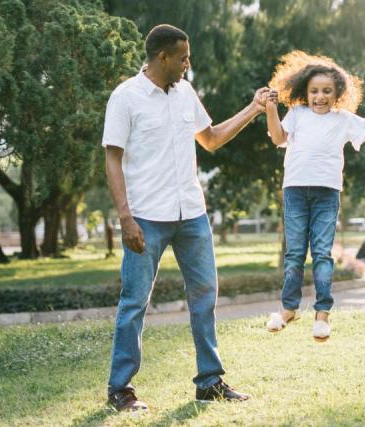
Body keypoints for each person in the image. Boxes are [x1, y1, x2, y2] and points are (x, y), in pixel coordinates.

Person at [102, 24, 269, 411]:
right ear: (162, 57)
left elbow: (210, 138)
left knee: (205, 296)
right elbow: (112, 157)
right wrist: (125, 217)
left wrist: (253, 108)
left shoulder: (185, 92)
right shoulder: (126, 97)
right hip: (146, 216)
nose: (187, 63)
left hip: (192, 214)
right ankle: (120, 389)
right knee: (134, 302)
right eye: (183, 57)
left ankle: (209, 382)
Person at [263, 51, 365, 342]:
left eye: (326, 92)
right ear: (304, 92)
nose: (320, 97)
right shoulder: (297, 114)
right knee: (295, 253)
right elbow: (278, 138)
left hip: (327, 193)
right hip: (295, 190)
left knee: (322, 253)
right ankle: (288, 309)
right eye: (314, 91)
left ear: (338, 94)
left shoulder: (343, 119)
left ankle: (322, 316)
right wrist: (270, 109)